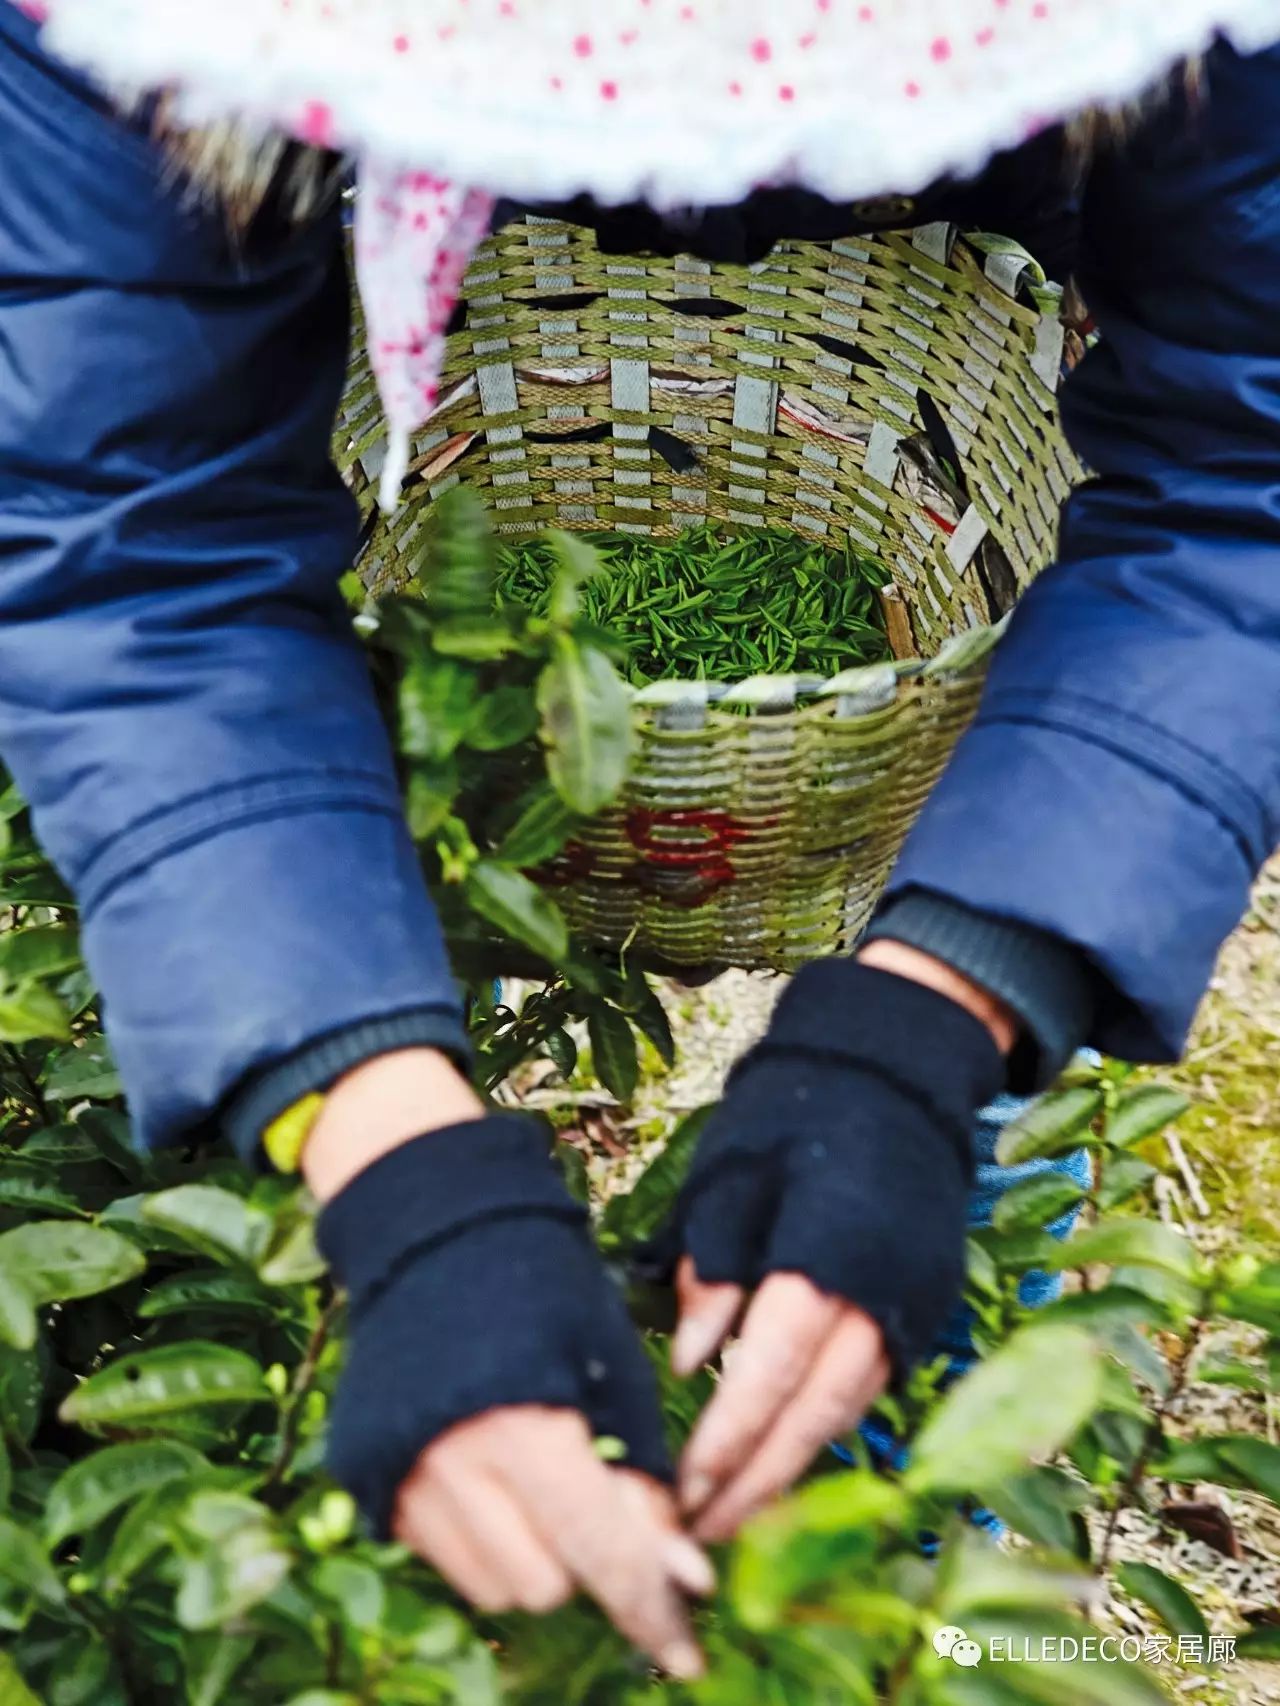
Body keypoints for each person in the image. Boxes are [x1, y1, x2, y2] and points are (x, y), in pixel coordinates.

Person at [3, 4, 1280, 1679]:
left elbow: (1252, 463)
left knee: (950, 1105)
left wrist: (940, 1005)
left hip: (1025, 158)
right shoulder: (132, 40)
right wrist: (394, 1159)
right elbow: (137, 546)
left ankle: (906, 1469)